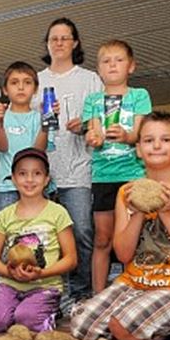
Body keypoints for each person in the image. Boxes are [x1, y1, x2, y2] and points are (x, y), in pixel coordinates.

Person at [69, 111, 170, 340]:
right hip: (134, 283)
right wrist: (137, 212)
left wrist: (166, 212)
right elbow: (123, 255)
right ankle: (137, 322)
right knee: (81, 326)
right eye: (148, 140)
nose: (156, 145)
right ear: (138, 149)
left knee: (124, 327)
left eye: (166, 139)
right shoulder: (126, 192)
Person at [0, 148, 78, 333]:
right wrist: (9, 272)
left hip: (44, 285)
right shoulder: (4, 215)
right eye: (23, 174)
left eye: (37, 173)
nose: (29, 179)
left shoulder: (58, 213)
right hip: (10, 284)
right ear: (14, 179)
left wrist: (42, 273)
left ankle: (49, 311)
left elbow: (71, 259)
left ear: (46, 179)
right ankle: (4, 307)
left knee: (27, 319)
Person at [37, 17, 102, 306]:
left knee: (82, 231)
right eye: (54, 38)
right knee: (41, 234)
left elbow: (101, 120)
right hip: (41, 170)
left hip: (79, 168)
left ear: (75, 43)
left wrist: (85, 126)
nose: (59, 43)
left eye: (65, 38)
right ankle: (45, 293)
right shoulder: (36, 80)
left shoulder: (90, 79)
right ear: (47, 44)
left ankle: (80, 293)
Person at [82, 39, 151, 293]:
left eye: (119, 60)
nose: (112, 65)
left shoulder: (139, 95)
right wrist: (94, 138)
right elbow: (92, 132)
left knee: (135, 237)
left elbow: (140, 133)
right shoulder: (92, 100)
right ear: (98, 69)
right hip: (103, 176)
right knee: (102, 238)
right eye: (106, 61)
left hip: (133, 175)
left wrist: (126, 136)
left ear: (131, 66)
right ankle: (98, 294)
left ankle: (136, 289)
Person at [0, 62, 48, 213]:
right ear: (5, 90)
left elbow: (38, 151)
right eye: (14, 83)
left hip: (35, 186)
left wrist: (46, 122)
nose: (21, 87)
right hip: (6, 186)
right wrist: (0, 122)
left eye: (27, 82)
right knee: (7, 226)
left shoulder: (39, 117)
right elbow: (2, 147)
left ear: (35, 89)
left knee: (36, 226)